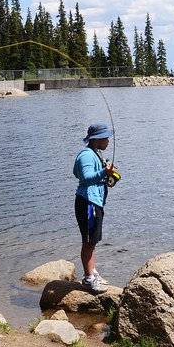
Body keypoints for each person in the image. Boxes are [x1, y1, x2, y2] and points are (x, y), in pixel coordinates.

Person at [73, 123, 115, 294]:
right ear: (97, 139)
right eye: (106, 138)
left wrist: (106, 175)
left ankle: (92, 272)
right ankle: (88, 279)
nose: (108, 141)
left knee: (93, 240)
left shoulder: (94, 153)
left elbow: (76, 173)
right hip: (88, 203)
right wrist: (104, 173)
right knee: (89, 241)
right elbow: (85, 177)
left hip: (93, 202)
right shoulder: (86, 156)